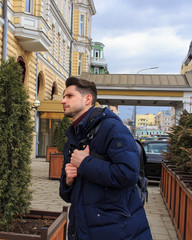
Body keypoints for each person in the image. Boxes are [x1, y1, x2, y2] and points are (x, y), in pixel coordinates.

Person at [59, 77, 152, 240]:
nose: (63, 100)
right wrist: (68, 181)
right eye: (63, 96)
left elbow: (128, 174)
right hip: (83, 228)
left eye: (69, 96)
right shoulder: (74, 137)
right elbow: (67, 196)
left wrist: (85, 163)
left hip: (116, 229)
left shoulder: (112, 128)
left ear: (87, 99)